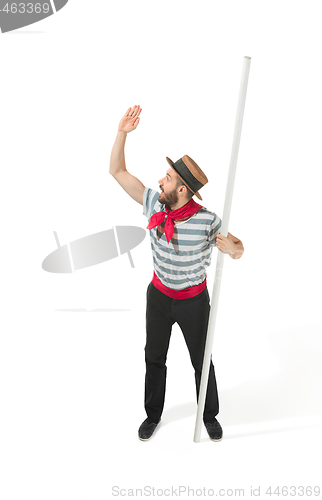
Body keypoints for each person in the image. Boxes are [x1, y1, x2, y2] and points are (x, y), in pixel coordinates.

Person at [109, 105, 244, 442]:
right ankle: (152, 415)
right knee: (154, 357)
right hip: (157, 296)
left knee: (202, 360)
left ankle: (208, 414)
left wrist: (233, 249)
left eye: (167, 178)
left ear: (182, 189)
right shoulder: (155, 203)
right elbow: (117, 170)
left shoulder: (207, 220)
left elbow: (238, 248)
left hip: (193, 302)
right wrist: (122, 132)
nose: (160, 180)